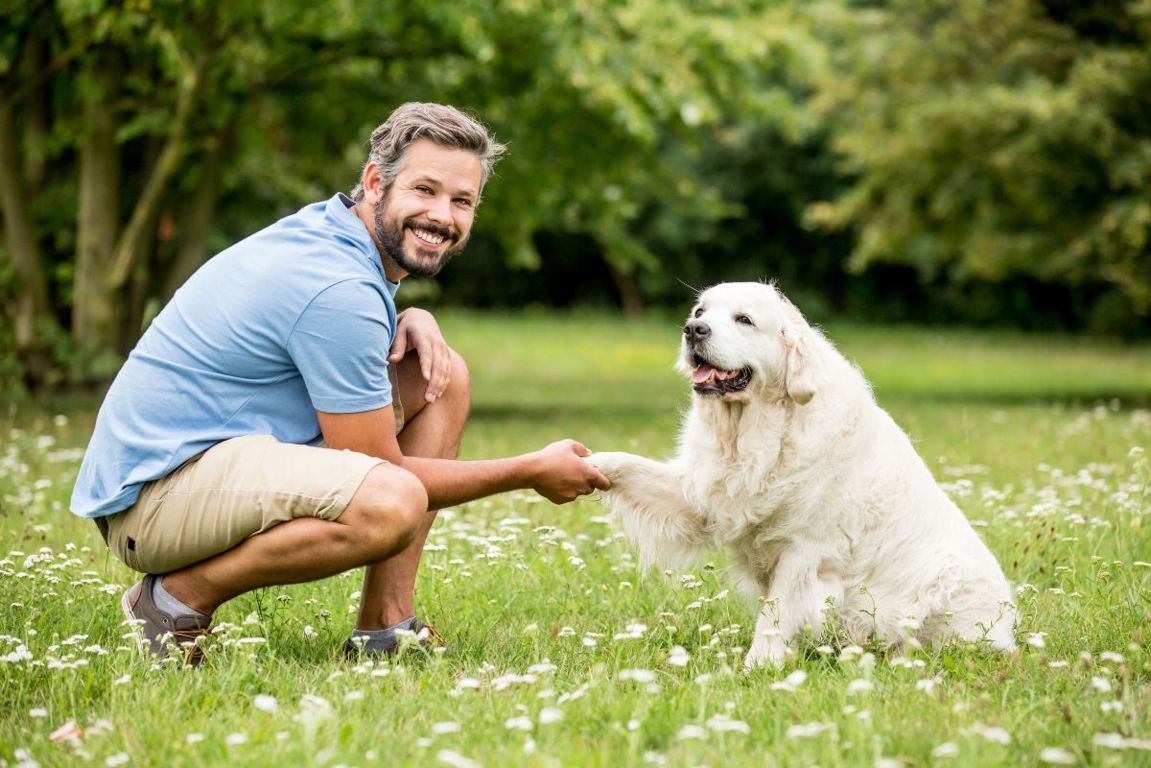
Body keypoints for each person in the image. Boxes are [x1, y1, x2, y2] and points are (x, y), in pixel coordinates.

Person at [70, 102, 611, 665]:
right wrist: (529, 470)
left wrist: (410, 318)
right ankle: (172, 603)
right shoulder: (338, 287)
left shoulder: (336, 235)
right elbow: (382, 471)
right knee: (390, 501)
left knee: (440, 376)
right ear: (376, 182)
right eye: (424, 190)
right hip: (153, 500)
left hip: (201, 463)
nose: (442, 215)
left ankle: (384, 627)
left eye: (461, 201)